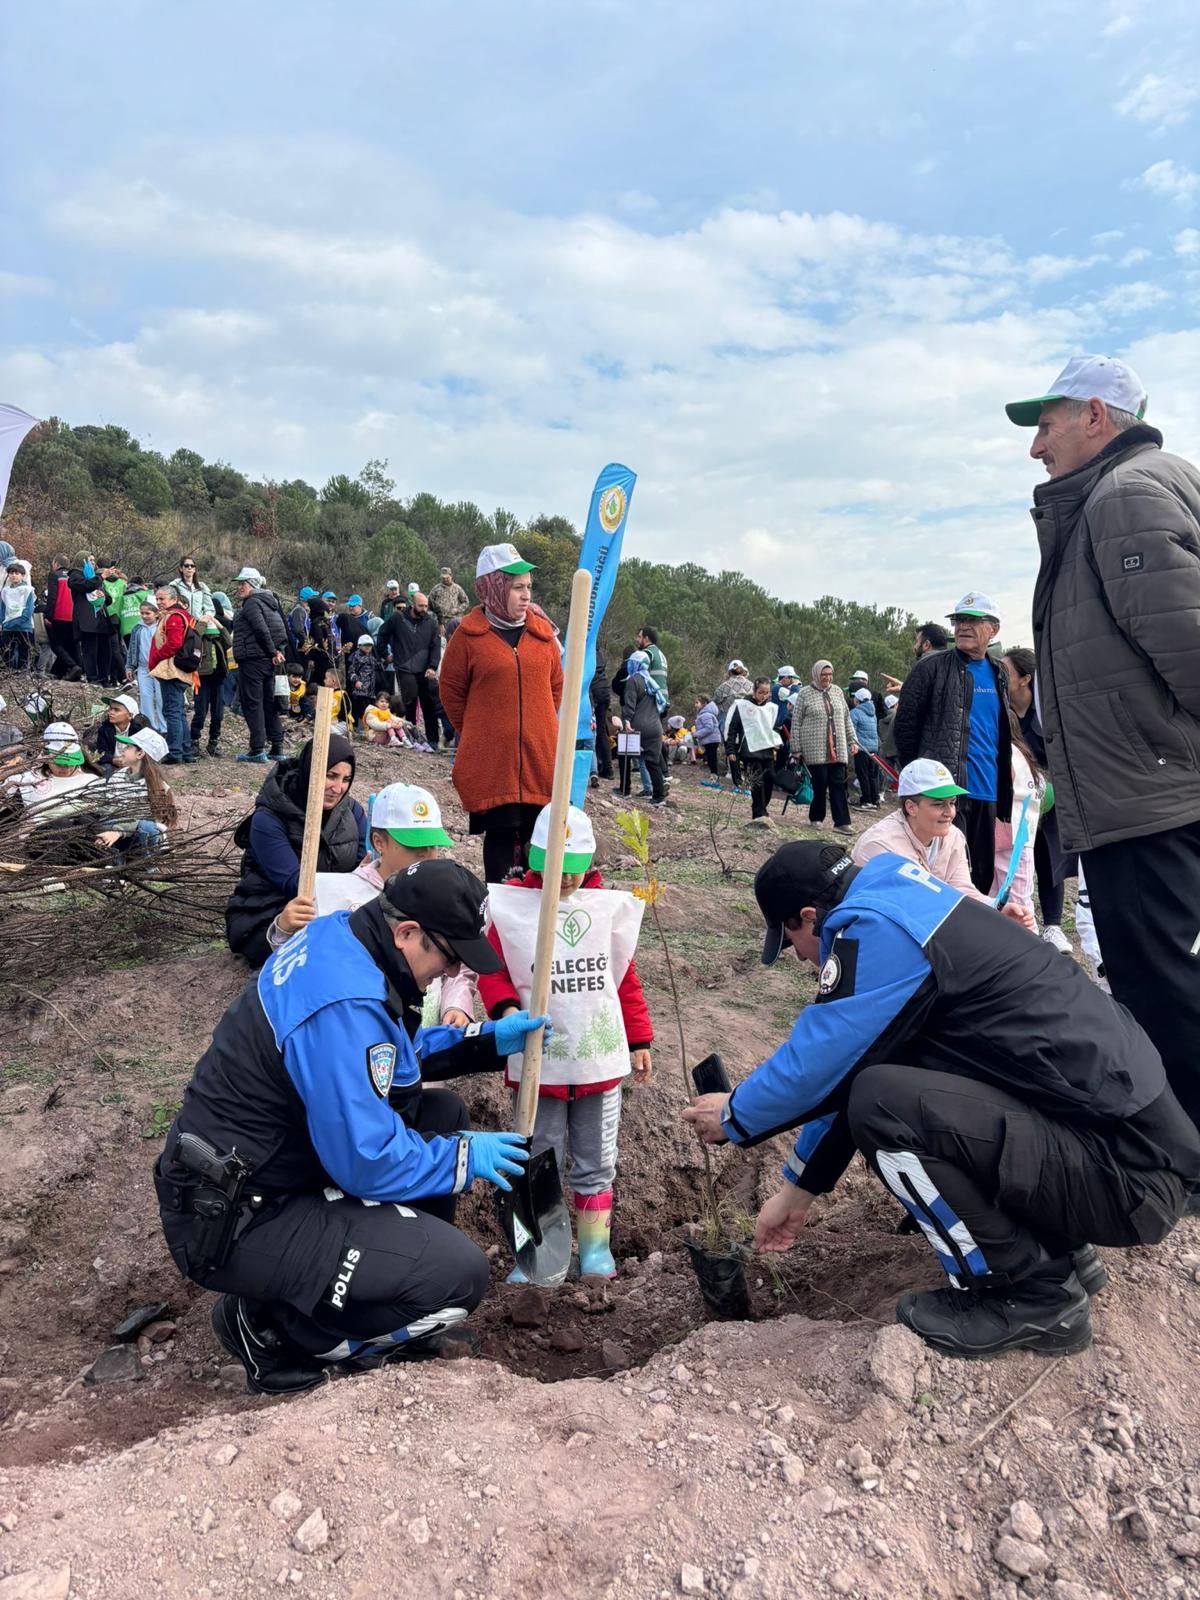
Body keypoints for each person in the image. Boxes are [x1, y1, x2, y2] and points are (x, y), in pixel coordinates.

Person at [683, 841, 1200, 1359]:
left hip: (1124, 1178)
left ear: (811, 916)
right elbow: (858, 1062)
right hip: (1130, 1154)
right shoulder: (915, 905)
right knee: (900, 1083)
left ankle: (1030, 1293)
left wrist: (733, 1114)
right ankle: (1059, 1249)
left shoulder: (878, 931)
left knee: (884, 1105)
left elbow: (819, 1064)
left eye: (791, 937)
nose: (798, 955)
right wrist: (799, 1191)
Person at [156, 859, 551, 1394]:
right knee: (460, 1277)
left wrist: (484, 1041)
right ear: (407, 932)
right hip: (235, 1218)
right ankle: (275, 1328)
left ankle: (383, 1295)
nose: (452, 974)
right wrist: (463, 1159)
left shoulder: (347, 938)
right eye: (450, 958)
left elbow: (386, 1060)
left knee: (441, 1116)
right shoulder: (342, 1000)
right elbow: (366, 1159)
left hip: (266, 1171)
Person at [1007, 354, 1200, 1143]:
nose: (1035, 447)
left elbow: (1188, 645)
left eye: (1045, 425)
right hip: (1147, 786)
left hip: (1147, 796)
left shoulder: (1124, 499)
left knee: (1160, 982)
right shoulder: (1131, 492)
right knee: (1159, 974)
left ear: (1095, 415)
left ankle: (1182, 1152)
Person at [478, 804, 653, 1278]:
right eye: (560, 870)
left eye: (578, 871)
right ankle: (538, 1251)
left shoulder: (603, 909)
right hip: (540, 1065)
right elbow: (492, 971)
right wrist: (506, 1011)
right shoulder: (512, 906)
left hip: (597, 1066)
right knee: (538, 1156)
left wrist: (639, 1039)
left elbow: (623, 979)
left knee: (597, 1159)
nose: (569, 881)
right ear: (536, 859)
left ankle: (594, 1248)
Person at [439, 543, 563, 883]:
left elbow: (555, 689)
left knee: (540, 844)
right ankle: (502, 924)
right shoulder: (467, 637)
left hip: (540, 760)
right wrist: (484, 730)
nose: (526, 595)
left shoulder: (543, 635)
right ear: (493, 586)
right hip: (494, 764)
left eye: (528, 587)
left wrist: (537, 727)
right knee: (502, 846)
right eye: (517, 587)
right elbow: (451, 693)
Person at [893, 591, 1013, 894]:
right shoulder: (931, 667)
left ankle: (971, 939)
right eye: (959, 620)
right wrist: (919, 782)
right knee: (940, 877)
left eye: (973, 621)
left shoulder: (999, 672)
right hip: (944, 792)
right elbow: (905, 727)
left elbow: (1000, 732)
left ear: (994, 628)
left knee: (980, 876)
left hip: (987, 791)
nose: (963, 627)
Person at [225, 732, 366, 966]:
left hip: (338, 909)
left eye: (345, 779)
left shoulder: (354, 812)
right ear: (311, 770)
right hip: (272, 909)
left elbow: (361, 872)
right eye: (331, 776)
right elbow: (295, 883)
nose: (338, 787)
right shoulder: (268, 819)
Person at [852, 759, 1034, 927]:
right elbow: (912, 907)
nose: (950, 813)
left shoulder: (953, 837)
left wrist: (996, 908)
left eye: (952, 803)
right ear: (911, 807)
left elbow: (962, 889)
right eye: (939, 804)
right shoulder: (881, 846)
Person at [352, 783, 476, 1025]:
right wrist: (284, 930)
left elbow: (456, 964)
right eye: (415, 847)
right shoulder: (349, 895)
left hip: (425, 1034)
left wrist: (456, 1006)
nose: (427, 855)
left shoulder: (441, 896)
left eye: (432, 846)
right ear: (379, 842)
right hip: (367, 1029)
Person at [1001, 645, 1070, 951]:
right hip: (1012, 799)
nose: (1001, 676)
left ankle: (1053, 926)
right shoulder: (1002, 712)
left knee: (1048, 855)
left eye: (1007, 671)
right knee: (1011, 855)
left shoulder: (1049, 716)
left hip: (1049, 800)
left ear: (1025, 679)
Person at [790, 660, 856, 834]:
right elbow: (796, 722)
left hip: (837, 747)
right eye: (823, 674)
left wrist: (852, 740)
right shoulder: (804, 694)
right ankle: (816, 818)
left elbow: (846, 718)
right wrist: (796, 748)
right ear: (816, 674)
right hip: (815, 747)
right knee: (819, 784)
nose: (827, 678)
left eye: (829, 674)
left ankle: (842, 822)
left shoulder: (837, 692)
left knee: (838, 784)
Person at [230, 566, 287, 766]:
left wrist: (273, 651)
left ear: (253, 584)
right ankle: (277, 747)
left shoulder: (252, 603)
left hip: (253, 660)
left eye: (243, 583)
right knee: (268, 703)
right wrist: (277, 651)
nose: (239, 587)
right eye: (239, 584)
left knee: (253, 704)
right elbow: (280, 629)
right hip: (266, 661)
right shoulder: (270, 602)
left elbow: (261, 630)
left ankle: (257, 749)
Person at [94, 726, 178, 855]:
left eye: (128, 747)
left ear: (140, 754)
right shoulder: (118, 775)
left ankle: (145, 863)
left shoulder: (158, 787)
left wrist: (118, 832)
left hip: (142, 837)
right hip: (117, 828)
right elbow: (108, 804)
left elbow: (145, 818)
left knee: (146, 826)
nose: (123, 750)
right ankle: (114, 859)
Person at [378, 590, 441, 747]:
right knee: (410, 700)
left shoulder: (431, 622)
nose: (424, 609)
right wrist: (385, 654)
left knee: (429, 704)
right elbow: (382, 634)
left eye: (426, 606)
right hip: (404, 666)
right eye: (421, 606)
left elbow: (436, 646)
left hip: (425, 668)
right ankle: (412, 737)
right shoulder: (398, 618)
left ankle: (432, 740)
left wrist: (433, 666)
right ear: (413, 605)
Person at [148, 584, 197, 765]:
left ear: (174, 600)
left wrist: (156, 659)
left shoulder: (174, 617)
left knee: (172, 711)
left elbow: (174, 644)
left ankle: (175, 752)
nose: (159, 602)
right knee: (178, 712)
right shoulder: (181, 616)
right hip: (180, 671)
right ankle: (185, 751)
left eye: (162, 599)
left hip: (172, 670)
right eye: (157, 599)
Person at [726, 677, 782, 824]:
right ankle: (759, 813)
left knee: (770, 778)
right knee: (757, 782)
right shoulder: (742, 706)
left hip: (767, 749)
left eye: (767, 692)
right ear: (754, 691)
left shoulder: (770, 708)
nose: (764, 695)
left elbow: (773, 728)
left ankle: (762, 807)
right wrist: (731, 750)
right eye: (761, 692)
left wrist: (777, 742)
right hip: (749, 750)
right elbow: (732, 729)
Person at [622, 649, 667, 807]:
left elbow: (630, 704)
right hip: (656, 727)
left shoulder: (633, 680)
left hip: (640, 727)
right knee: (653, 762)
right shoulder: (651, 682)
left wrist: (626, 721)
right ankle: (659, 795)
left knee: (625, 757)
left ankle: (624, 789)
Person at [67, 552, 116, 686]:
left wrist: (103, 595)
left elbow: (108, 599)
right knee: (90, 650)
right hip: (87, 620)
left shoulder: (95, 578)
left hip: (101, 619)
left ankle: (104, 678)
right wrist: (101, 577)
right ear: (82, 561)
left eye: (94, 560)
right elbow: (86, 585)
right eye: (90, 560)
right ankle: (93, 678)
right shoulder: (75, 575)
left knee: (105, 650)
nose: (93, 562)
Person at [191, 606, 231, 758]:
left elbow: (229, 640)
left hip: (218, 680)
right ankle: (194, 741)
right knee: (200, 712)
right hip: (202, 680)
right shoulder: (199, 638)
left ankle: (213, 743)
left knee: (218, 714)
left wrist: (218, 624)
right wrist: (202, 623)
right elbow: (194, 637)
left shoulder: (218, 640)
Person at [123, 597, 165, 734]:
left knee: (160, 698)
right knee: (145, 697)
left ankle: (164, 728)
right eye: (142, 613)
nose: (145, 616)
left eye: (148, 613)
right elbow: (132, 649)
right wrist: (129, 666)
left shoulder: (161, 627)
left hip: (159, 667)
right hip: (143, 668)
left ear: (157, 613)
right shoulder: (137, 628)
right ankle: (149, 727)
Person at [42, 556, 84, 680]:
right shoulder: (75, 576)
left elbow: (52, 597)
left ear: (56, 564)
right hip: (75, 615)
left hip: (60, 614)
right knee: (72, 645)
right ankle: (72, 671)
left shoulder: (55, 575)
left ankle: (73, 667)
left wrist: (48, 615)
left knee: (56, 644)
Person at [87, 692, 145, 770]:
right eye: (111, 709)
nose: (111, 712)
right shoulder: (104, 729)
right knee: (106, 769)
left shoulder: (138, 731)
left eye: (116, 710)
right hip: (111, 763)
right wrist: (112, 759)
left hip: (133, 763)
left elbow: (143, 752)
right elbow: (101, 751)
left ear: (130, 715)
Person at [849, 688, 881, 809]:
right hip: (874, 749)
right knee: (872, 775)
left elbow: (852, 732)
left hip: (861, 748)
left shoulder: (855, 712)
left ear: (858, 700)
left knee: (863, 775)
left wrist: (850, 747)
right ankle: (875, 799)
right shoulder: (873, 713)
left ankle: (867, 801)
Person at [1, 561, 35, 669]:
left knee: (23, 653)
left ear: (23, 575)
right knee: (6, 653)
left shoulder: (27, 590)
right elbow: (2, 609)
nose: (13, 575)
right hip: (8, 627)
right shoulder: (5, 591)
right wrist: (2, 623)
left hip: (23, 627)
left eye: (16, 573)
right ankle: (9, 676)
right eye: (11, 573)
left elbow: (28, 610)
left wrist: (16, 622)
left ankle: (22, 677)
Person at [346, 635, 381, 731]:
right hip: (360, 688)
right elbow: (350, 672)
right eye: (365, 645)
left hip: (370, 689)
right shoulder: (355, 656)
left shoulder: (371, 657)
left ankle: (369, 728)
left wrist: (385, 662)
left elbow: (377, 666)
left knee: (370, 708)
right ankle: (361, 729)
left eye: (370, 645)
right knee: (362, 709)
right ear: (359, 645)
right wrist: (356, 680)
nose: (368, 647)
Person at [589, 645, 613, 781]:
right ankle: (607, 768)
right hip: (605, 690)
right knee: (602, 730)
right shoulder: (600, 654)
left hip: (594, 692)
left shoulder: (587, 652)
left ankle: (594, 767)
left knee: (593, 730)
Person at [169, 556, 215, 621]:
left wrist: (207, 616)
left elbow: (209, 608)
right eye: (186, 565)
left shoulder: (202, 586)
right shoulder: (175, 585)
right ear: (181, 569)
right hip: (180, 622)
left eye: (192, 566)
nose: (189, 567)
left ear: (194, 569)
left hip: (199, 623)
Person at [429, 567, 470, 636]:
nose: (445, 580)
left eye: (447, 578)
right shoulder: (436, 589)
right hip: (440, 622)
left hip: (454, 620)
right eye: (443, 578)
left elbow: (466, 602)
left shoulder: (457, 588)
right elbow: (429, 603)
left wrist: (457, 609)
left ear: (451, 576)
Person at [694, 696, 722, 783]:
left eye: (697, 702)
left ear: (704, 703)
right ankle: (714, 777)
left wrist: (696, 734)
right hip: (710, 740)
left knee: (712, 759)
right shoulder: (704, 714)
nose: (695, 705)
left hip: (712, 740)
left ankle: (714, 778)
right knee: (711, 759)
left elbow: (709, 728)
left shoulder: (706, 714)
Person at [287, 587, 316, 656]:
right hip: (295, 647)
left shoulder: (302, 610)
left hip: (297, 646)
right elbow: (298, 630)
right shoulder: (299, 610)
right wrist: (307, 643)